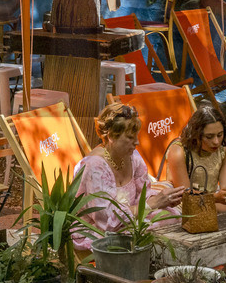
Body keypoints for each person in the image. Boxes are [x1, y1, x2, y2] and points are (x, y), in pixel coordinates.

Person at [72, 102, 185, 250]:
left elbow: (143, 195)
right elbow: (107, 222)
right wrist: (152, 204)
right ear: (111, 136)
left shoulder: (132, 158)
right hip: (99, 230)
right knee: (142, 232)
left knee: (173, 216)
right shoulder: (95, 167)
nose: (137, 142)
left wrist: (164, 200)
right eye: (131, 137)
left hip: (130, 220)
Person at [162, 105, 226, 202]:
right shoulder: (179, 151)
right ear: (196, 135)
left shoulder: (223, 149)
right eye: (209, 137)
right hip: (184, 205)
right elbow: (186, 196)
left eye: (220, 135)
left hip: (210, 201)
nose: (216, 141)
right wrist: (214, 198)